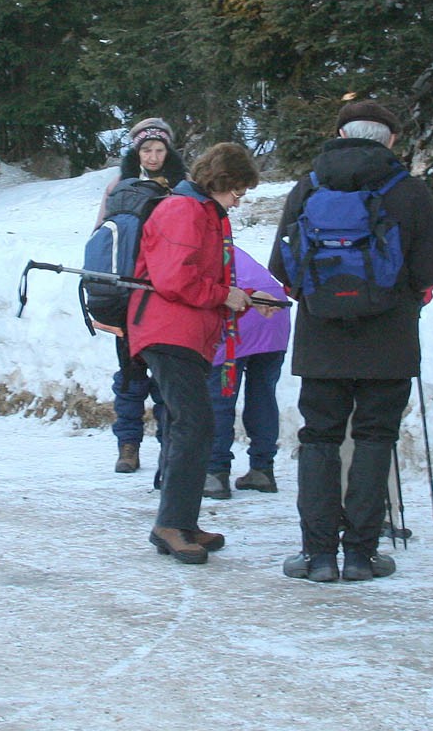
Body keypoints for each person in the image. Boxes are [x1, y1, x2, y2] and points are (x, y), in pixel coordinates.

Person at [268, 99, 433, 583]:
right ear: (390, 139)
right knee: (374, 439)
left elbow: (282, 269)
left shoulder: (309, 186)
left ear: (342, 135)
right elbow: (430, 270)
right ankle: (363, 556)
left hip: (321, 339)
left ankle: (319, 555)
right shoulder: (409, 191)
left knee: (320, 438)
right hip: (389, 340)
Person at [127, 142, 280, 565]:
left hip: (185, 332)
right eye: (238, 189)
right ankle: (171, 525)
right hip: (168, 332)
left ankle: (182, 522)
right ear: (221, 180)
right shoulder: (185, 211)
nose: (240, 198)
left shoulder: (204, 213)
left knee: (195, 425)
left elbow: (202, 278)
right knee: (193, 424)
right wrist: (227, 296)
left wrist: (245, 296)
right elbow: (175, 279)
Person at [94, 117, 186, 473]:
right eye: (146, 150)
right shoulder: (118, 185)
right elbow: (102, 234)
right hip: (126, 292)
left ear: (168, 151)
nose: (152, 156)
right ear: (136, 151)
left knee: (167, 375)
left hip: (165, 291)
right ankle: (128, 445)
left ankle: (169, 445)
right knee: (131, 374)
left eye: (159, 150)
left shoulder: (182, 186)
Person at [202, 246, 291, 499]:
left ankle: (215, 473)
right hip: (275, 311)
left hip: (241, 313)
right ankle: (262, 469)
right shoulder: (229, 248)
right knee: (263, 395)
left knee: (220, 398)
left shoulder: (198, 248)